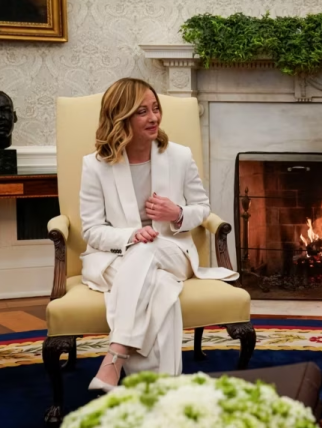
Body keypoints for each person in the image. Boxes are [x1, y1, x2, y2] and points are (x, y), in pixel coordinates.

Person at [80, 78, 239, 392]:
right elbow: (92, 230)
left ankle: (115, 357)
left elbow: (202, 208)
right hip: (114, 258)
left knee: (148, 252)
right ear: (121, 117)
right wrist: (131, 235)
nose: (154, 117)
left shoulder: (178, 156)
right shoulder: (95, 165)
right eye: (142, 112)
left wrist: (176, 213)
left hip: (171, 252)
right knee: (161, 290)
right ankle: (160, 392)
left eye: (155, 108)